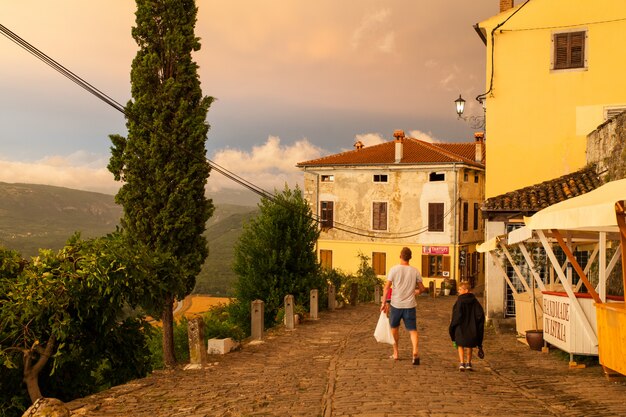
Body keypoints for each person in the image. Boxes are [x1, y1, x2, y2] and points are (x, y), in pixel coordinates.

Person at [380, 247, 426, 365]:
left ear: (400, 256)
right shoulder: (415, 271)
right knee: (412, 330)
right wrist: (416, 292)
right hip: (410, 305)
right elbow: (422, 288)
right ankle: (415, 351)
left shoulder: (394, 270)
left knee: (394, 329)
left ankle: (395, 353)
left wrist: (383, 303)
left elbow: (386, 288)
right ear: (410, 257)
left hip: (396, 305)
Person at [448, 281, 485, 371]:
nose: (459, 291)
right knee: (469, 346)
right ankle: (468, 363)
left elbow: (457, 314)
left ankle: (462, 362)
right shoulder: (474, 300)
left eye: (460, 289)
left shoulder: (460, 300)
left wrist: (453, 325)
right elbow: (480, 314)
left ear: (466, 290)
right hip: (471, 326)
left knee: (460, 345)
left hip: (460, 326)